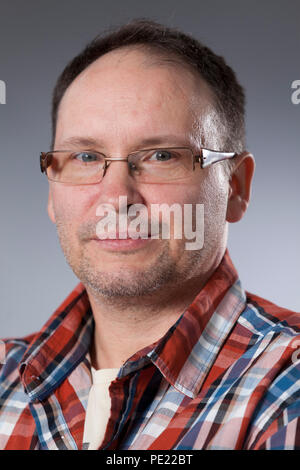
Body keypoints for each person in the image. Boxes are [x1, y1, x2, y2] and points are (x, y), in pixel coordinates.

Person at [0, 19, 299, 451]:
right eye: (86, 156)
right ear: (51, 188)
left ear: (235, 187)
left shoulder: (286, 389)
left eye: (162, 155)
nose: (117, 198)